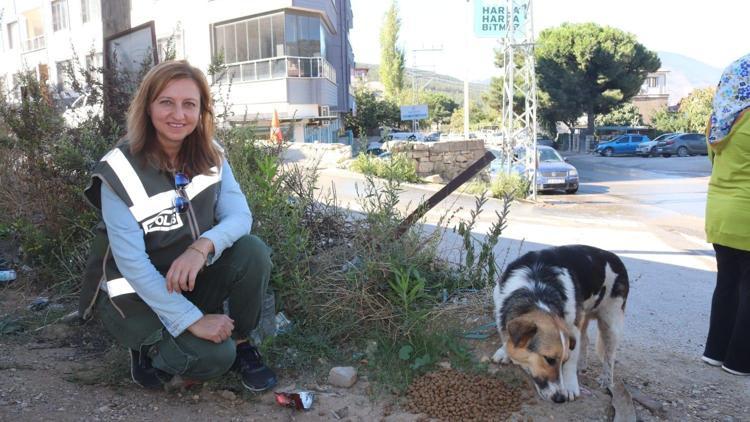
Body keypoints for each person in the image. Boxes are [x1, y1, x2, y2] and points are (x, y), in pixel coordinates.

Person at [78, 60, 278, 390]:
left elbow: (240, 216)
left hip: (184, 281)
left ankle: (242, 344)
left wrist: (201, 249)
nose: (178, 115)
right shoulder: (118, 169)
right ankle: (146, 347)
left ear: (202, 112)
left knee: (252, 251)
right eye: (166, 102)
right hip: (133, 297)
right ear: (147, 107)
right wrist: (192, 320)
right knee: (214, 359)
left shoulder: (212, 154)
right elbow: (132, 264)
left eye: (189, 104)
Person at [702, 53, 750, 376]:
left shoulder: (717, 120)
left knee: (727, 284)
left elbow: (713, 162)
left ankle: (714, 352)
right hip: (746, 214)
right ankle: (739, 362)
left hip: (718, 214)